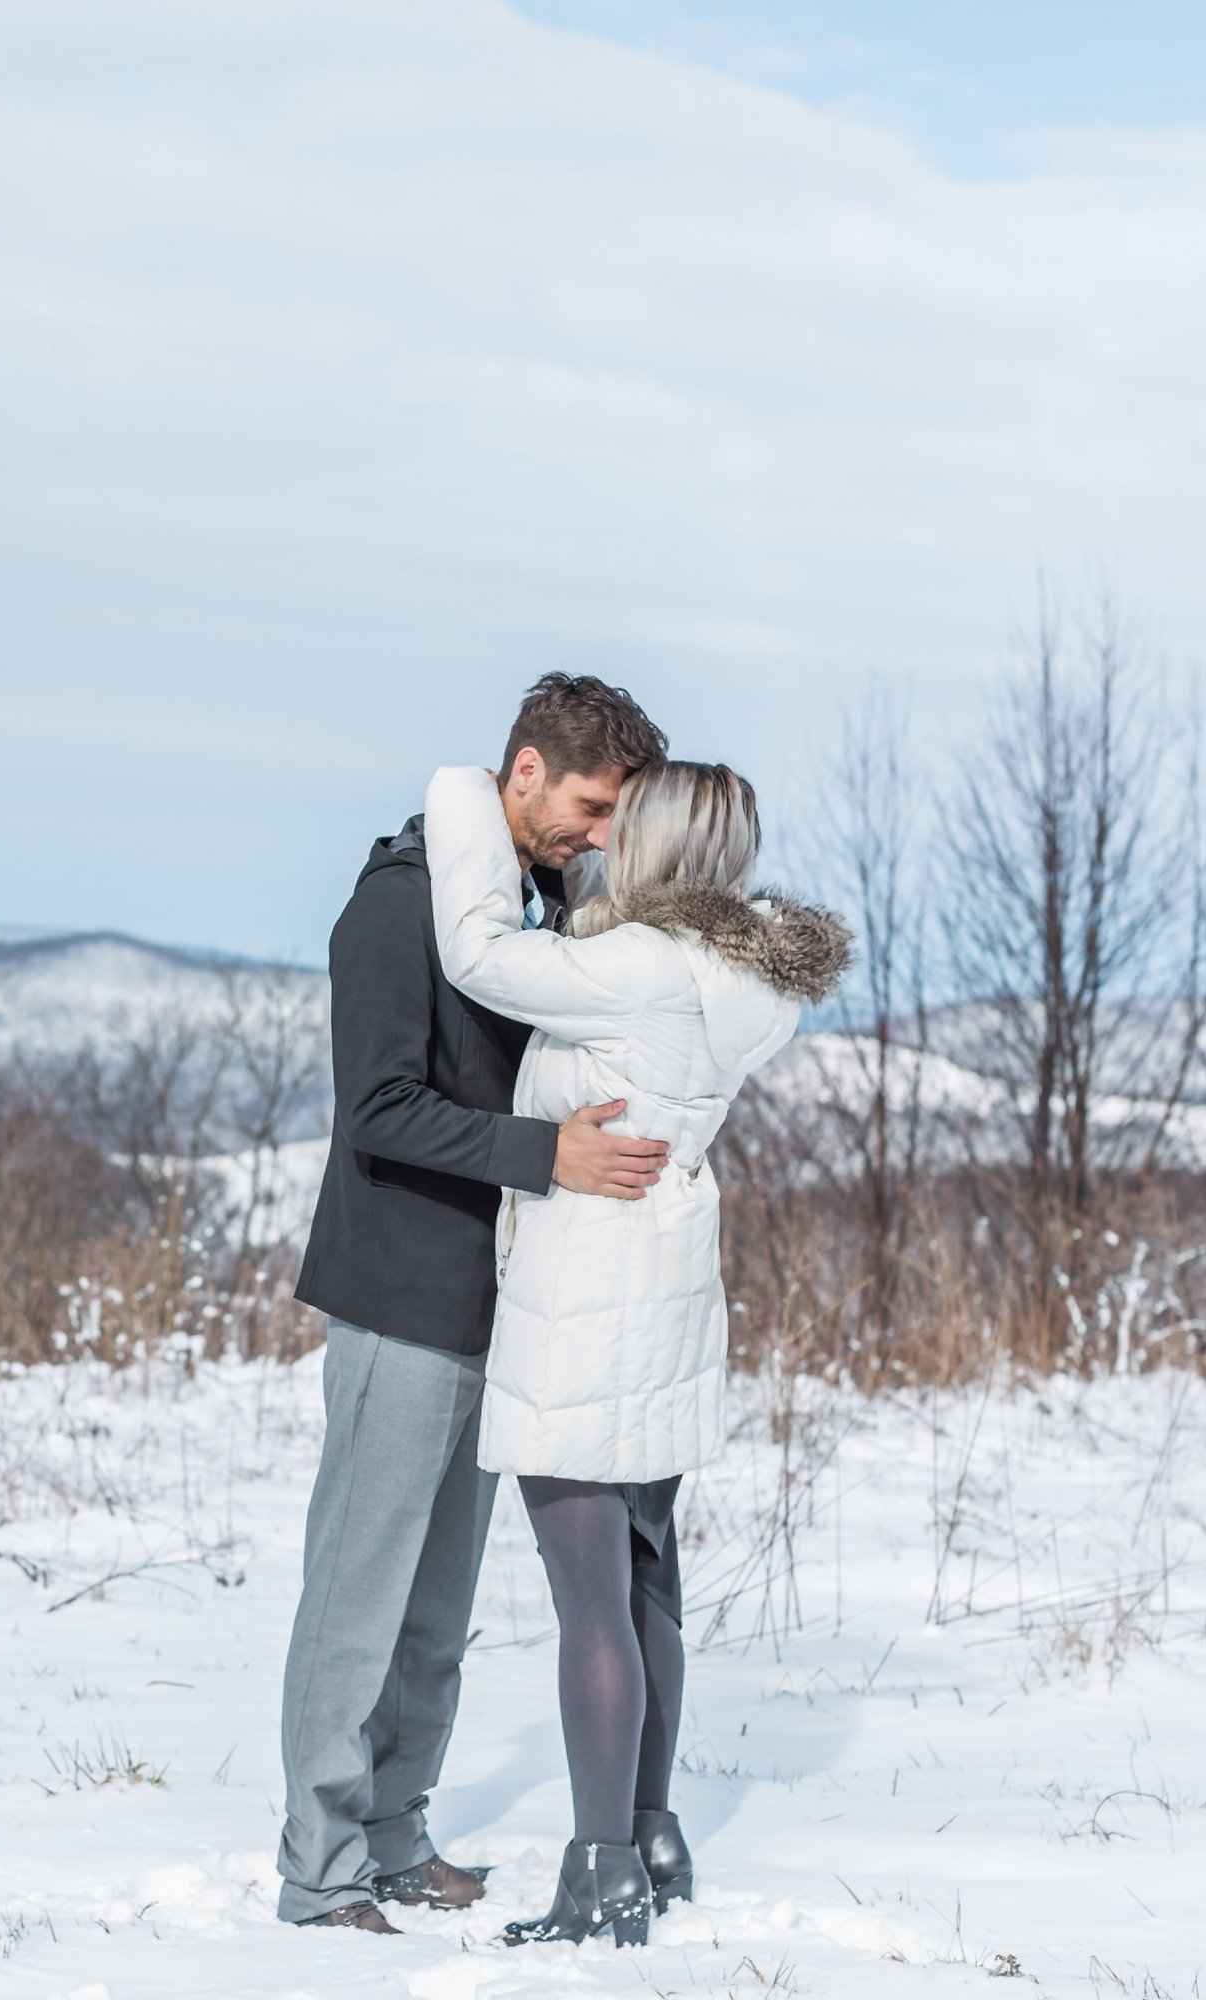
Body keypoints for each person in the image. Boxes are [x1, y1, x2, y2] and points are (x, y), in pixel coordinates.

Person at [419, 755, 848, 1948]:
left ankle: (597, 1866)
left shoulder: (638, 967)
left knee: (588, 1594)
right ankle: (653, 1832)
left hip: (586, 1293)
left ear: (658, 843)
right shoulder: (740, 976)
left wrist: (462, 793)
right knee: (647, 1571)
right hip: (664, 1290)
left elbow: (479, 956)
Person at [276, 674, 672, 1933]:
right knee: (358, 1602)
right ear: (522, 773)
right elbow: (379, 1110)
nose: (598, 832)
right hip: (398, 1300)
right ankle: (321, 1870)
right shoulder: (399, 908)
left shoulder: (529, 913)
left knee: (437, 1611)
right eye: (590, 803)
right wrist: (547, 1152)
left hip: (495, 1306)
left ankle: (398, 1836)